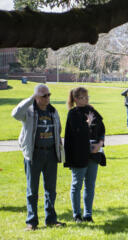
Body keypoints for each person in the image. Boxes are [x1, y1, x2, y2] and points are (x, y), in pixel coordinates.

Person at [11, 84, 65, 231]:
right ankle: (32, 222)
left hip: (51, 154)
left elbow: (58, 128)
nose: (48, 98)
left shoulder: (53, 111)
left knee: (51, 190)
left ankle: (51, 219)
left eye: (49, 95)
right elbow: (15, 114)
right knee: (32, 190)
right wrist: (30, 100)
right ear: (36, 97)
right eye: (44, 95)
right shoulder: (28, 112)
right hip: (34, 154)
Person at [64, 87, 106, 223]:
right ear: (76, 99)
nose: (86, 100)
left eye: (87, 97)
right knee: (77, 185)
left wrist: (99, 144)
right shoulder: (73, 113)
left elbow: (101, 129)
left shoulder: (92, 110)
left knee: (90, 185)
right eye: (83, 97)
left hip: (94, 154)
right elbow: (78, 132)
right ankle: (77, 215)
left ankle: (88, 214)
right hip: (79, 154)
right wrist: (87, 123)